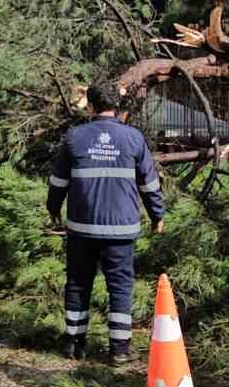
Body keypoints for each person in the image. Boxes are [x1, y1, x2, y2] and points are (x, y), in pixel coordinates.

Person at [48, 83, 165, 363]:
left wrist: (53, 210)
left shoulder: (74, 137)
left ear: (90, 106)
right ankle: (120, 349)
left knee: (77, 283)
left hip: (82, 227)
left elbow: (57, 182)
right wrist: (157, 215)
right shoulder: (134, 138)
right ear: (119, 107)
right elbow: (149, 184)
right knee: (121, 286)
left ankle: (74, 344)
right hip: (121, 229)